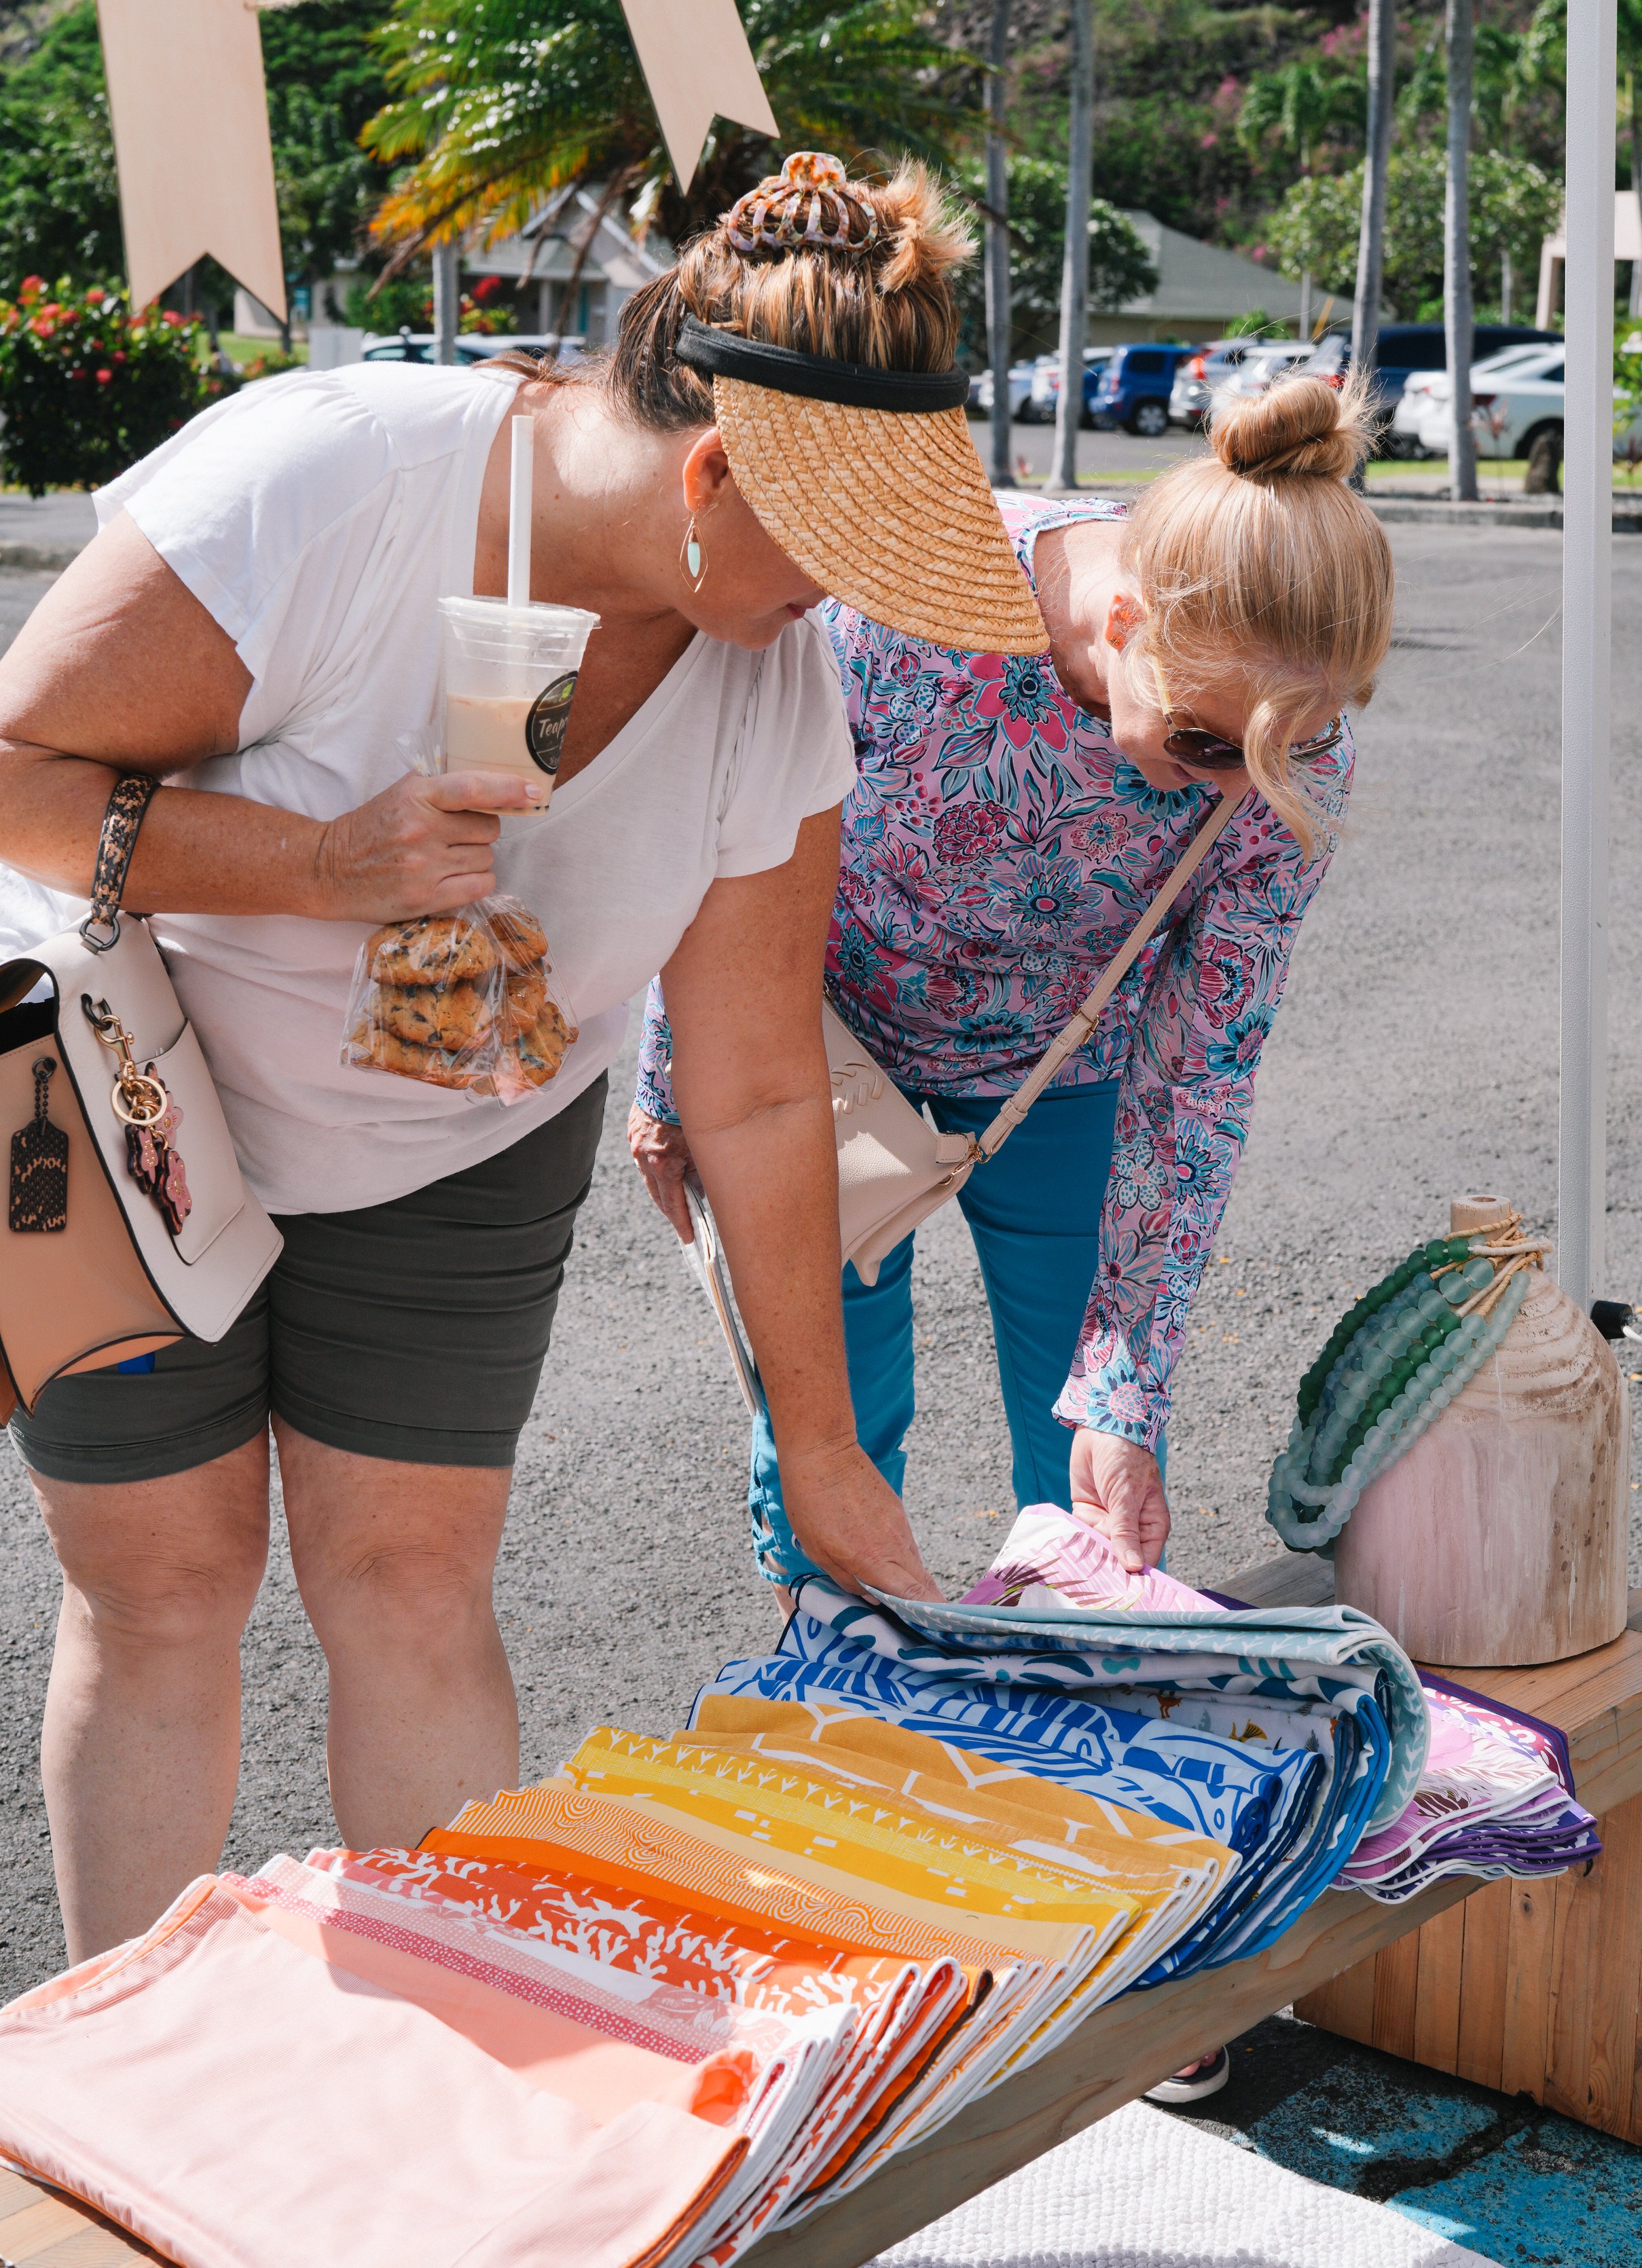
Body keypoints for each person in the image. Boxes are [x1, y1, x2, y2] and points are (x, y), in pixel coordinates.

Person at [0, 150, 1042, 1965]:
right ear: (715, 478)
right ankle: (122, 2092)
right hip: (114, 1082)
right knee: (165, 1588)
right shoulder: (332, 482)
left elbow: (755, 1085)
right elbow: (14, 775)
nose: (844, 608)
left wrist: (817, 1437)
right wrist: (315, 865)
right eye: (836, 559)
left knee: (409, 1584)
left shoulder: (766, 681)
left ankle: (432, 2088)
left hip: (455, 1138)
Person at [630, 370, 1394, 2102]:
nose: (1241, 781)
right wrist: (679, 1074)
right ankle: (858, 1844)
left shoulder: (1283, 734)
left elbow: (1209, 1067)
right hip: (812, 1072)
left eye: (1289, 748)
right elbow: (721, 843)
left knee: (1095, 1501)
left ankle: (1111, 1909)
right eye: (1205, 744)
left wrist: (1128, 1382)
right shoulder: (924, 596)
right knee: (832, 1458)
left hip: (1069, 1082)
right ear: (1116, 610)